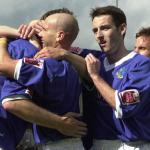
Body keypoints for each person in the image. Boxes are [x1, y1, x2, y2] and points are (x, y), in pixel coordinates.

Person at [33, 5, 150, 150]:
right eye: (95, 30)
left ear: (122, 29)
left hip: (131, 145)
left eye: (105, 28)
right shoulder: (93, 57)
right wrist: (36, 26)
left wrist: (95, 76)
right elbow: (60, 44)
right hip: (97, 144)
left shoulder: (141, 65)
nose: (99, 35)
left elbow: (123, 107)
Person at [0, 8, 87, 150]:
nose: (36, 31)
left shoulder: (48, 65)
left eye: (43, 29)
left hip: (57, 144)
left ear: (59, 35)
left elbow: (11, 101)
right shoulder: (74, 64)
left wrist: (3, 41)